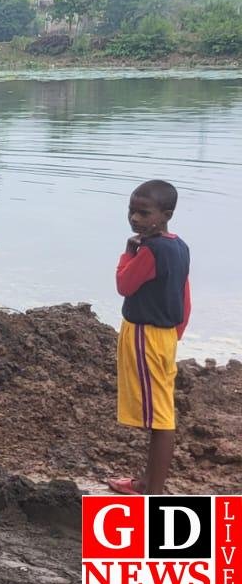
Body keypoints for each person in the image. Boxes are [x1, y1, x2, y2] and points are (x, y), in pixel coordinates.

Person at [107, 179, 191, 496]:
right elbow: (184, 295)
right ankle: (147, 483)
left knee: (160, 419)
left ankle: (152, 492)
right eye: (132, 211)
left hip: (145, 335)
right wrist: (175, 334)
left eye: (144, 213)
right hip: (164, 336)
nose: (135, 218)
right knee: (160, 412)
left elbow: (124, 285)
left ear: (166, 215)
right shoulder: (179, 246)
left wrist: (128, 253)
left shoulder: (151, 250)